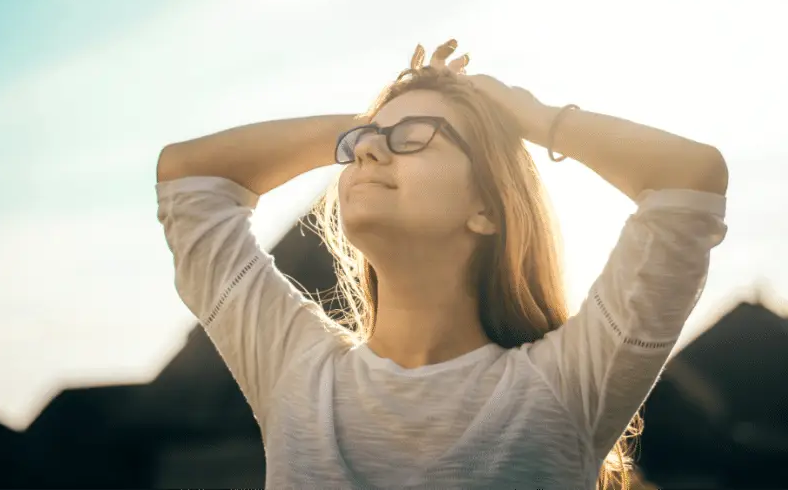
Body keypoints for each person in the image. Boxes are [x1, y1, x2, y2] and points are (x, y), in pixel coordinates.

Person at [155, 39, 728, 489]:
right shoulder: (295, 371)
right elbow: (188, 177)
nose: (369, 150)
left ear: (487, 208)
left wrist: (531, 116)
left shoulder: (566, 385)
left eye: (414, 138)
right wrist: (368, 121)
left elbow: (689, 180)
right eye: (361, 144)